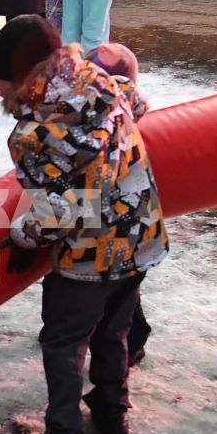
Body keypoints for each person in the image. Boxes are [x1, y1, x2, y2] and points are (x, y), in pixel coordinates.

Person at [0, 15, 169, 434]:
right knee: (114, 331)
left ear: (24, 77)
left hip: (88, 256)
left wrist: (21, 236)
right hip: (139, 238)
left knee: (64, 343)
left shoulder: (33, 134)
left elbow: (60, 211)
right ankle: (113, 415)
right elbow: (140, 108)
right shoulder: (106, 83)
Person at [85, 41, 155, 367]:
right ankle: (131, 343)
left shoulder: (93, 119)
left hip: (105, 224)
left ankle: (126, 346)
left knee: (111, 296)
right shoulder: (131, 117)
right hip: (134, 228)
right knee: (124, 292)